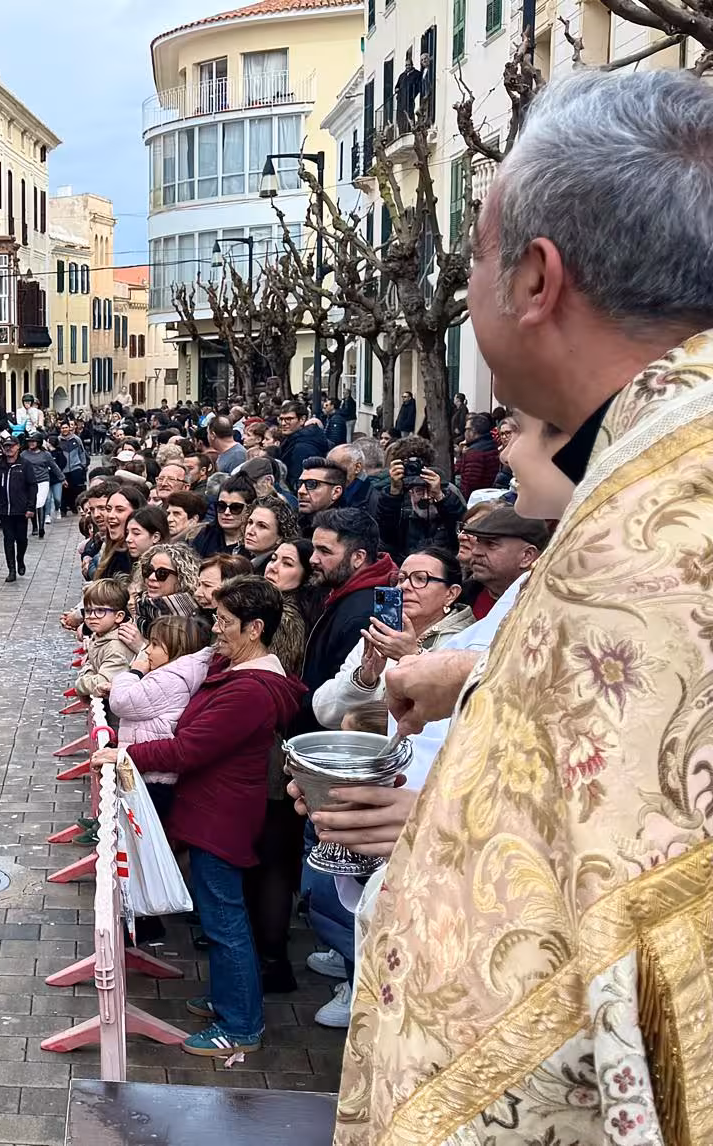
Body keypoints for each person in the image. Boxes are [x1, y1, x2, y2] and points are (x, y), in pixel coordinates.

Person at [335, 70, 713, 1140]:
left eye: (469, 261)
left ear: (536, 278)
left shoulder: (656, 528)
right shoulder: (652, 480)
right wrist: (468, 671)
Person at [92, 575, 306, 1057]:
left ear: (255, 629)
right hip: (217, 809)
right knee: (221, 914)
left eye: (225, 622)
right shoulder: (234, 671)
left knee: (224, 919)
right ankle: (229, 999)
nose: (214, 630)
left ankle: (242, 1024)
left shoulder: (249, 690)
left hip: (221, 815)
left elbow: (190, 748)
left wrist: (128, 755)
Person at [312, 546, 470, 736]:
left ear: (451, 593)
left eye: (421, 579)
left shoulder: (467, 640)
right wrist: (364, 679)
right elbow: (323, 712)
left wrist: (412, 656)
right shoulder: (383, 632)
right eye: (401, 578)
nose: (404, 587)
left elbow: (456, 719)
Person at [292, 508, 396, 738]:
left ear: (358, 558)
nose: (313, 559)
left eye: (324, 551)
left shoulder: (363, 615)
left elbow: (347, 698)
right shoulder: (350, 592)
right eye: (314, 549)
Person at [107, 612, 212, 744]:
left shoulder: (170, 679)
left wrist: (135, 673)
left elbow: (121, 702)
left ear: (177, 648)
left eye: (155, 645)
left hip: (144, 751)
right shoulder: (175, 675)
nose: (147, 650)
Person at [458, 503, 547, 619]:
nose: (476, 551)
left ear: (527, 556)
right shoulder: (464, 595)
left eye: (491, 544)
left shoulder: (545, 609)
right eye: (479, 542)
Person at [73, 578, 134, 699]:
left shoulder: (116, 646)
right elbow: (91, 664)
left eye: (100, 611)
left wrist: (80, 683)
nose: (92, 616)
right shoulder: (100, 636)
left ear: (119, 616)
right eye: (88, 611)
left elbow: (102, 681)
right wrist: (88, 673)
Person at [0, 435, 34, 583]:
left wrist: (30, 507)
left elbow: (32, 487)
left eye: (11, 446)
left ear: (18, 447)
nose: (8, 448)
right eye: (6, 446)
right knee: (8, 539)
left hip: (21, 510)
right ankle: (11, 570)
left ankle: (20, 559)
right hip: (4, 509)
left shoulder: (25, 465)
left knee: (22, 539)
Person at [190, 475, 253, 558]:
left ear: (249, 510)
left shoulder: (254, 543)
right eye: (221, 506)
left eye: (235, 508)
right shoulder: (203, 536)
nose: (227, 512)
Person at [277, 401, 330, 487]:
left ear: (302, 419)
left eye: (289, 419)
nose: (283, 423)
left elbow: (299, 480)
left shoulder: (302, 447)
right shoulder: (293, 440)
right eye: (281, 419)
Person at [20, 432, 64, 536]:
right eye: (29, 441)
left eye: (33, 441)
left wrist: (62, 478)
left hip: (43, 481)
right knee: (32, 503)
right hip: (29, 482)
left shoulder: (45, 454)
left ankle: (41, 527)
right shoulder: (24, 454)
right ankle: (34, 526)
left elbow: (54, 467)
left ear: (39, 442)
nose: (31, 443)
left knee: (40, 503)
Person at [243, 497, 298, 573]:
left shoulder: (274, 571)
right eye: (250, 522)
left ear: (280, 537)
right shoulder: (244, 558)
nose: (250, 531)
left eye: (262, 526)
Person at [294, 457, 346, 534]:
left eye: (312, 484)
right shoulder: (293, 522)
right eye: (300, 484)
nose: (301, 491)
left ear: (335, 492)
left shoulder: (346, 530)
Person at [453, 412, 500, 495]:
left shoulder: (474, 454)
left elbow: (468, 484)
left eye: (466, 429)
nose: (465, 433)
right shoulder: (491, 444)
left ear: (473, 431)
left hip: (475, 496)